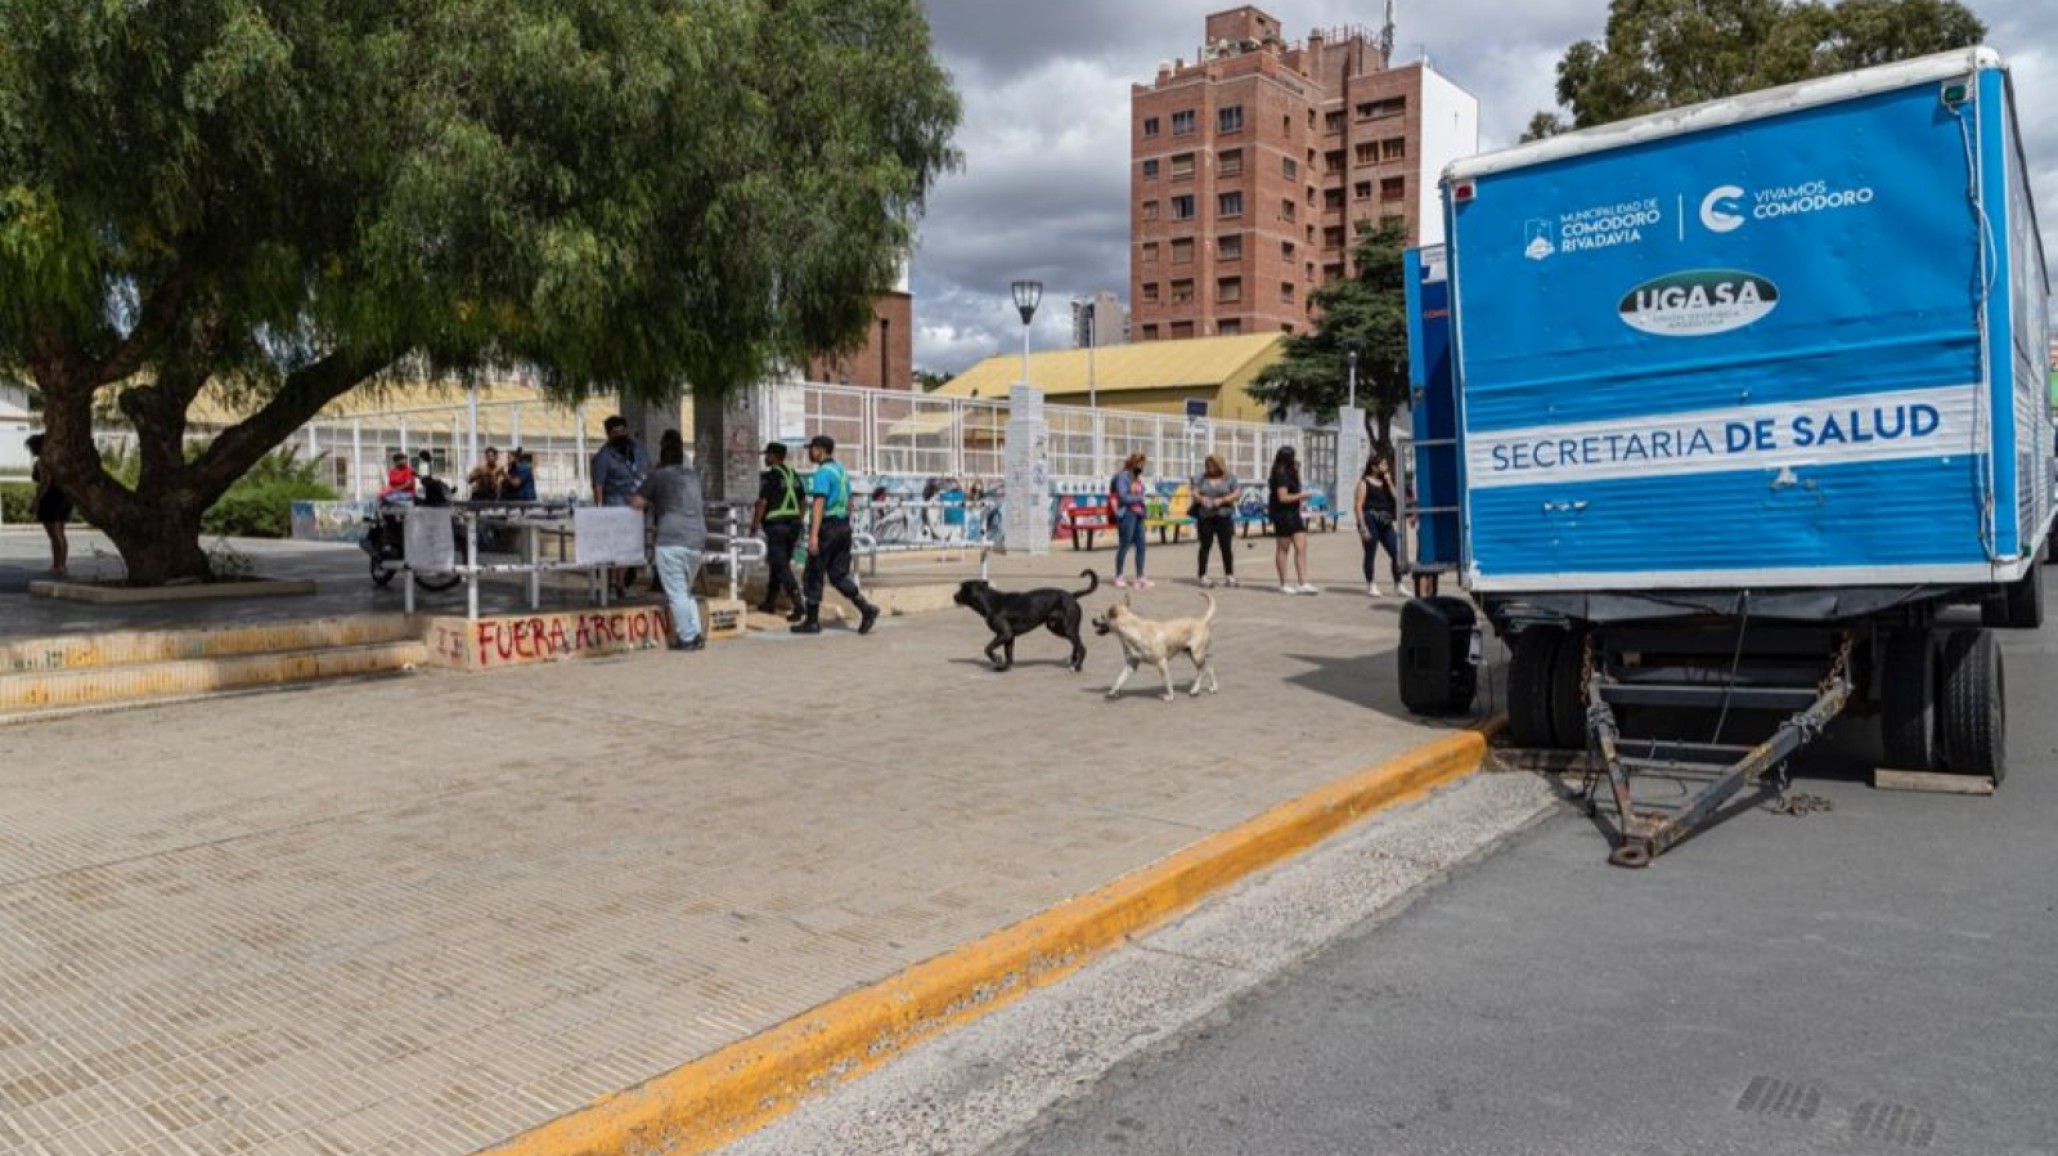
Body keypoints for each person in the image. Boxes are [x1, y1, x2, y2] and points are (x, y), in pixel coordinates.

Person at [791, 434, 880, 636]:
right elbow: (849, 503)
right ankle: (866, 608)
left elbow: (819, 505)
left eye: (811, 449)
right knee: (838, 575)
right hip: (843, 528)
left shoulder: (822, 473)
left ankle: (812, 622)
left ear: (820, 450)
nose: (809, 453)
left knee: (813, 573)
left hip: (828, 528)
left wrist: (814, 536)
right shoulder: (841, 471)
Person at [631, 430, 709, 652]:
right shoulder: (692, 477)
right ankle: (695, 634)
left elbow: (637, 502)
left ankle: (686, 638)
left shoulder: (658, 476)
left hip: (671, 539)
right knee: (685, 591)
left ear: (661, 458)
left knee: (676, 593)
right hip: (696, 540)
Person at [590, 414, 650, 598]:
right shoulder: (604, 456)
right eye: (616, 432)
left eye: (623, 430)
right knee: (614, 548)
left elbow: (648, 471)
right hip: (614, 506)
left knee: (629, 547)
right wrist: (599, 511)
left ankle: (621, 583)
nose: (621, 434)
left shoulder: (638, 450)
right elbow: (598, 485)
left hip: (636, 506)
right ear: (608, 435)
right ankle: (613, 584)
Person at [748, 441, 808, 621]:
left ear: (774, 456)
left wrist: (754, 525)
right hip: (793, 527)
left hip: (776, 527)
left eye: (767, 455)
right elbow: (803, 503)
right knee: (777, 564)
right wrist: (797, 519)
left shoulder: (770, 477)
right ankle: (770, 602)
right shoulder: (794, 476)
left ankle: (798, 605)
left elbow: (762, 503)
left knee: (781, 567)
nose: (765, 458)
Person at [1268, 445, 1318, 595]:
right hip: (1283, 514)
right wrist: (1302, 496)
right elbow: (1283, 497)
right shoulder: (1280, 473)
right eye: (1293, 457)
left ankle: (1303, 582)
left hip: (1293, 513)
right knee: (1284, 548)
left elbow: (1297, 487)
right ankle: (1283, 584)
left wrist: (1298, 472)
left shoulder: (1290, 472)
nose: (1295, 460)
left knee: (1301, 546)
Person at [1355, 454, 1403, 597]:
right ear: (1374, 467)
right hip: (1370, 519)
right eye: (1382, 464)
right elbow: (1358, 506)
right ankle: (1371, 583)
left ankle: (1398, 584)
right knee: (1370, 552)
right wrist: (1363, 527)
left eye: (1386, 464)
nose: (1385, 467)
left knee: (1396, 552)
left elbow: (1397, 499)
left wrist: (1389, 483)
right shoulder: (1364, 483)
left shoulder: (1386, 482)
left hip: (1385, 521)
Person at [24, 434, 72, 576]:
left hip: (51, 499)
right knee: (60, 534)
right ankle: (60, 564)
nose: (30, 451)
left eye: (30, 447)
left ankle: (58, 565)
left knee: (55, 535)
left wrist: (36, 502)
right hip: (64, 497)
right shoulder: (58, 459)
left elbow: (45, 483)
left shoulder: (43, 461)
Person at [1191, 454, 1240, 588]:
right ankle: (1202, 575)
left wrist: (1223, 500)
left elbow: (1236, 493)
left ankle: (1229, 575)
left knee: (1226, 546)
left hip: (1224, 515)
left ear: (1219, 465)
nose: (1209, 468)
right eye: (1207, 465)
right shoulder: (1201, 477)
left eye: (1212, 465)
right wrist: (1202, 499)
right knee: (1205, 545)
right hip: (1206, 516)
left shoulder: (1230, 477)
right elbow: (1194, 492)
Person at [1110, 451, 1152, 588]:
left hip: (1139, 514)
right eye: (1139, 464)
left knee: (1141, 546)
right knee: (1125, 544)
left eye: (1143, 465)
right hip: (1127, 514)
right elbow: (1123, 497)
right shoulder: (1123, 477)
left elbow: (1141, 493)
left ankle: (1140, 577)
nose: (1141, 467)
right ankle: (1119, 575)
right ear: (1133, 463)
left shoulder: (1137, 478)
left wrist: (1141, 500)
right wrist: (1139, 497)